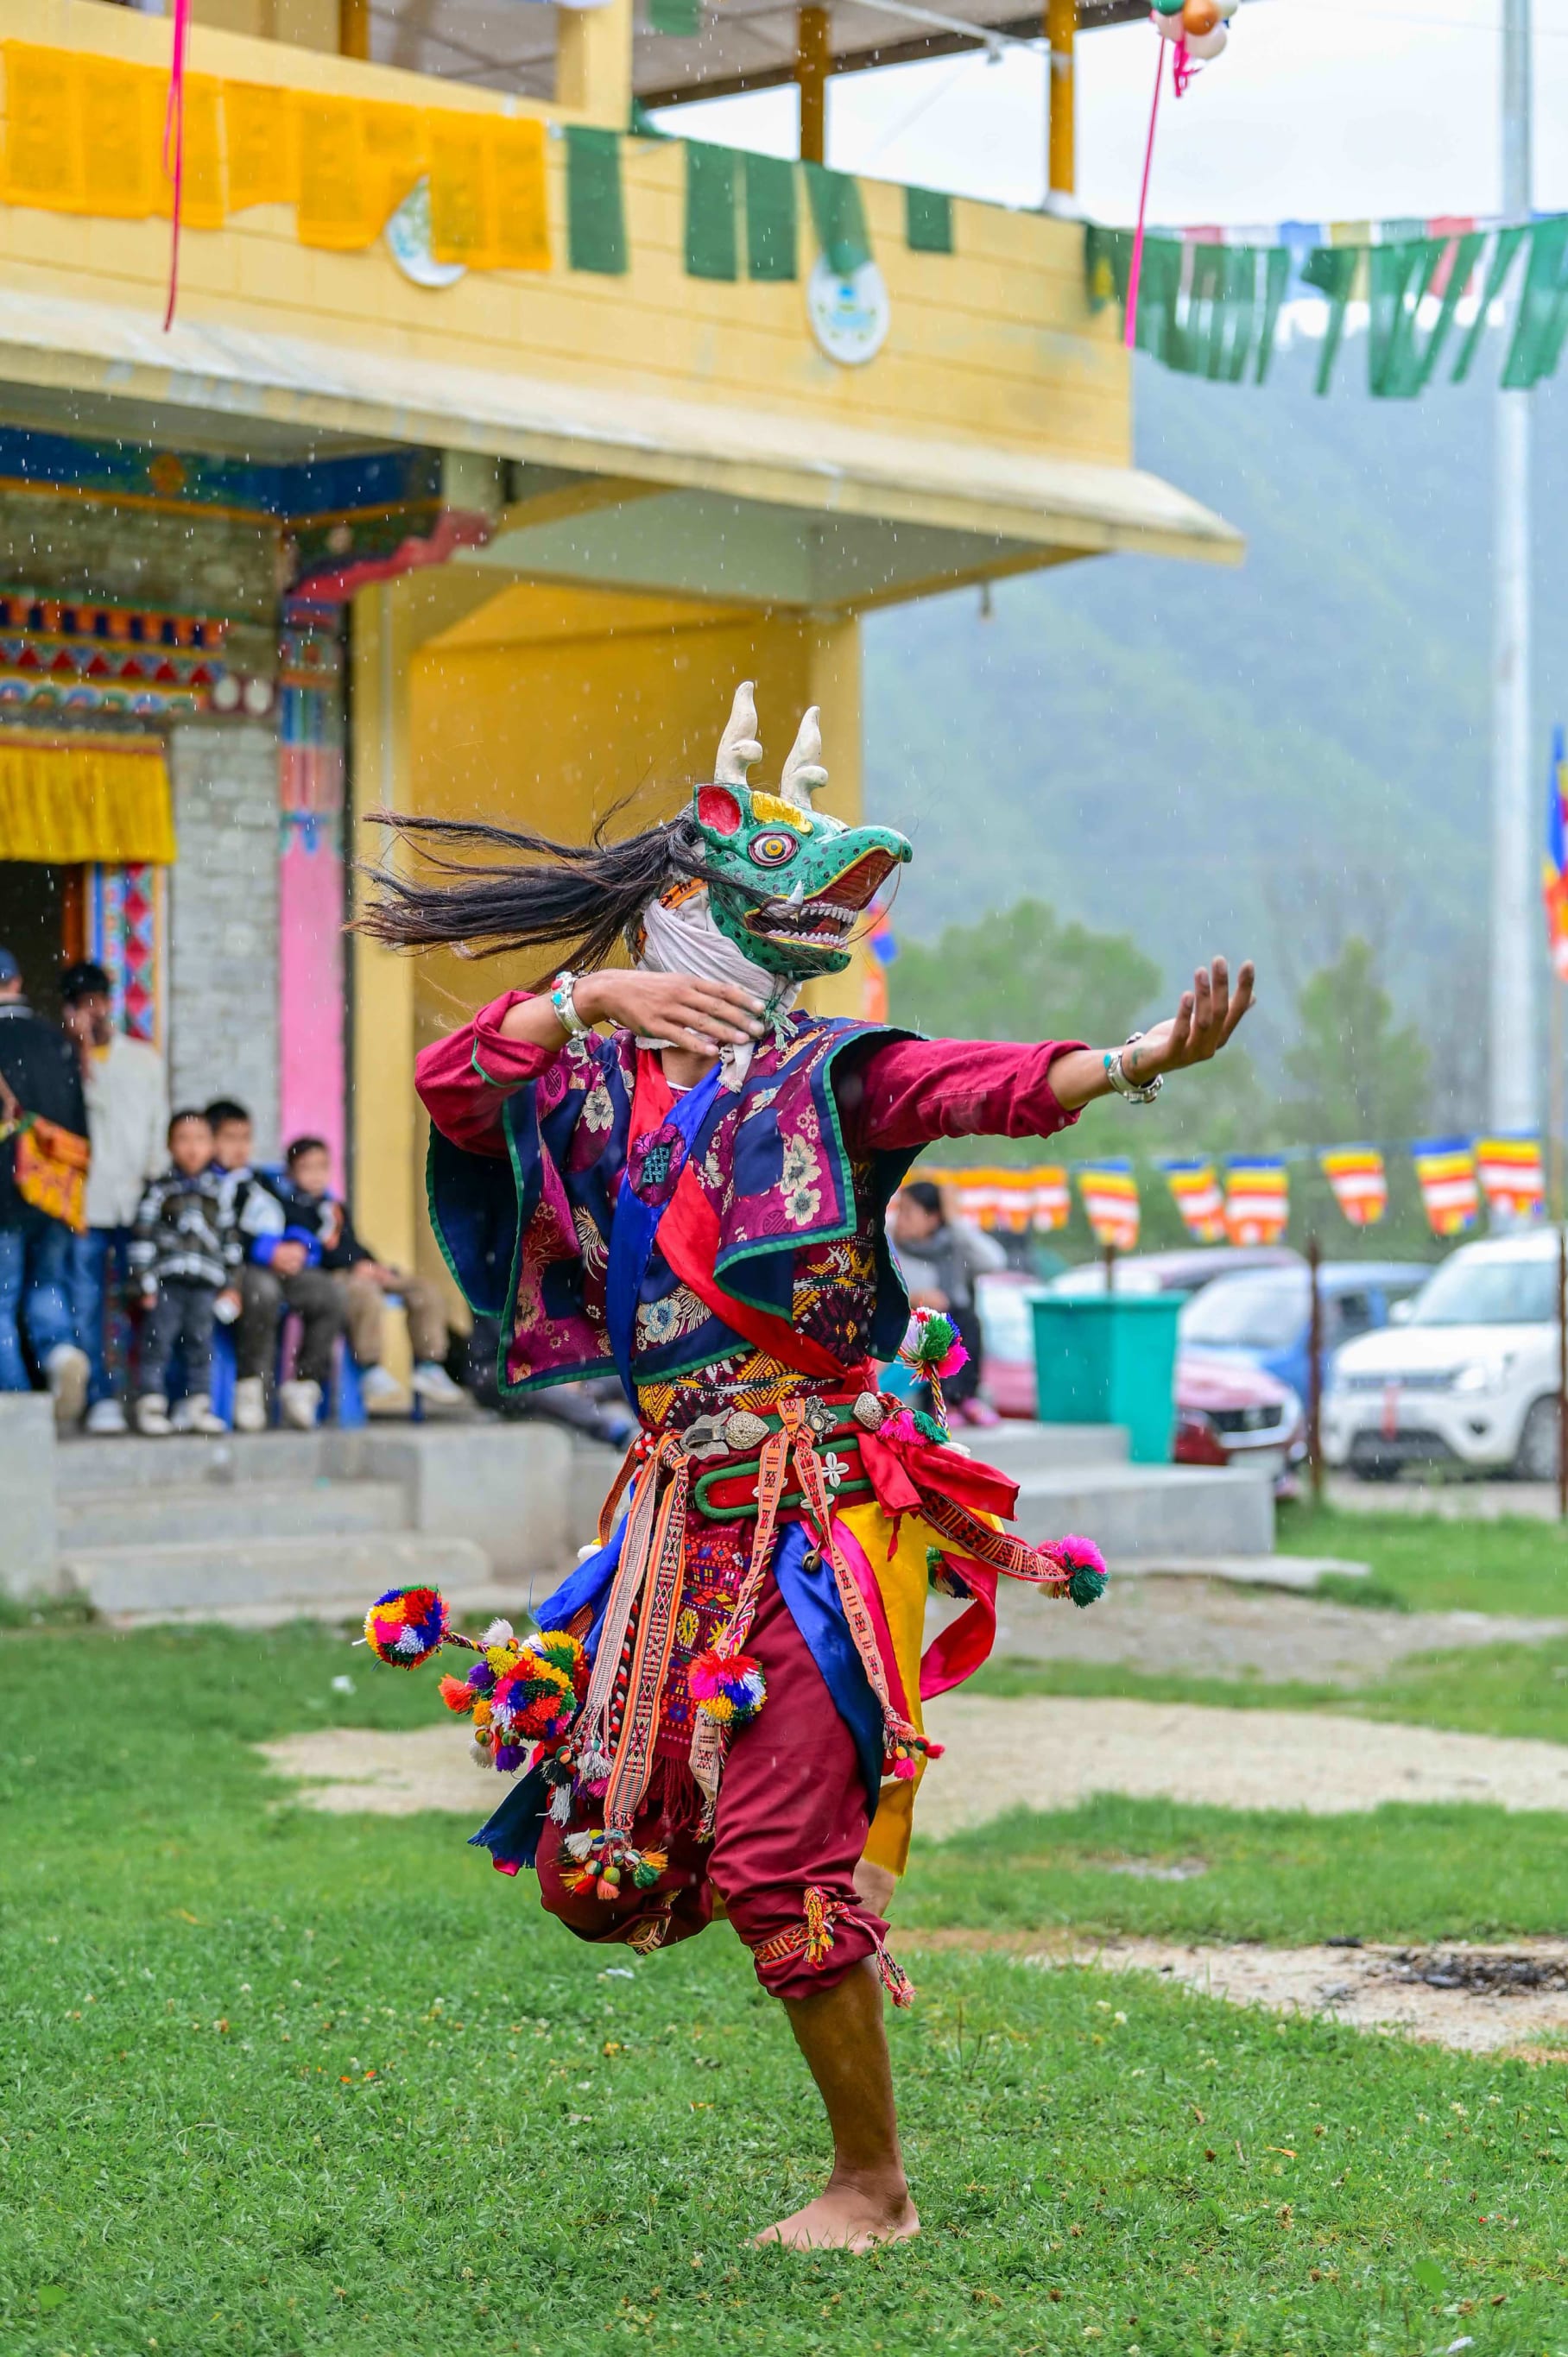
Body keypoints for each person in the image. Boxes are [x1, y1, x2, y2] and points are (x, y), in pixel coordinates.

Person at [361, 683, 1254, 2251]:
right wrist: (595, 1005)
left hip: (811, 1510)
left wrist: (1128, 1061)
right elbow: (449, 1091)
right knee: (602, 1865)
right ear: (690, 902)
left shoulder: (830, 1075)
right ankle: (815, 1975)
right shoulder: (583, 1079)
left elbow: (977, 1084)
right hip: (666, 1520)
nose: (833, 919)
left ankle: (871, 2186)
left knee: (782, 1864)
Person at [270, 1136, 465, 1412]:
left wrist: (376, 1266)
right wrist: (354, 1267)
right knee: (365, 1293)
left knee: (423, 1289)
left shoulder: (335, 1208)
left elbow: (354, 1243)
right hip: (334, 1275)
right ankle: (369, 1366)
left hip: (362, 1268)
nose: (316, 1175)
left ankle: (429, 1364)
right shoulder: (291, 1209)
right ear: (291, 1172)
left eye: (322, 1167)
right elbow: (315, 1251)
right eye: (307, 1168)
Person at [59, 960, 169, 1435]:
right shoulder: (59, 1062)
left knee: (147, 1300)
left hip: (137, 1204)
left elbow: (157, 1127)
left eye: (98, 1001)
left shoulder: (143, 1060)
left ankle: (151, 1395)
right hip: (82, 1207)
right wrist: (77, 1054)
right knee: (85, 1303)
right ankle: (101, 1399)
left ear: (110, 1002)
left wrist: (151, 1184)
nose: (93, 1012)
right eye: (82, 1004)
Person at [205, 1098, 346, 1433]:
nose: (240, 1147)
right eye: (230, 1138)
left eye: (246, 1138)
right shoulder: (210, 1187)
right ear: (211, 1141)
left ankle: (304, 1385)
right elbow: (219, 1233)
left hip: (284, 1266)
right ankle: (252, 1387)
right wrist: (263, 1250)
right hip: (243, 1271)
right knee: (262, 1294)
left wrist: (297, 1247)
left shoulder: (262, 1181)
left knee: (329, 1294)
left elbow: (292, 1214)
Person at [0, 945, 92, 1423]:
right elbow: (80, 1125)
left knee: (1, 1300)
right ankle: (61, 1355)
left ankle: (18, 1411)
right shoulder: (54, 1040)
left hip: (2, 1195)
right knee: (47, 1286)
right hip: (54, 1189)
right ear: (16, 983)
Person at [130, 1109, 240, 1437]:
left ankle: (197, 1405)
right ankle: (151, 1403)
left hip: (206, 1285)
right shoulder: (160, 1192)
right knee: (158, 1340)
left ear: (212, 1147)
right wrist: (144, 1282)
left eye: (200, 1140)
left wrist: (232, 1284)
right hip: (166, 1283)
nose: (192, 1148)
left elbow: (229, 1243)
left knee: (200, 1343)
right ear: (169, 1146)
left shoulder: (219, 1194)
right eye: (183, 1140)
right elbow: (143, 1238)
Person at [888, 1179, 1006, 1427]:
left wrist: (955, 1221)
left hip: (949, 1323)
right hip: (904, 1328)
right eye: (900, 1210)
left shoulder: (953, 1243)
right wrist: (914, 1298)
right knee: (937, 1321)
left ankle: (959, 1399)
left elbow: (995, 1261)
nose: (901, 1218)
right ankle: (947, 1400)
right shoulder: (889, 1242)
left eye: (908, 1212)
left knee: (964, 1317)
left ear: (932, 1218)